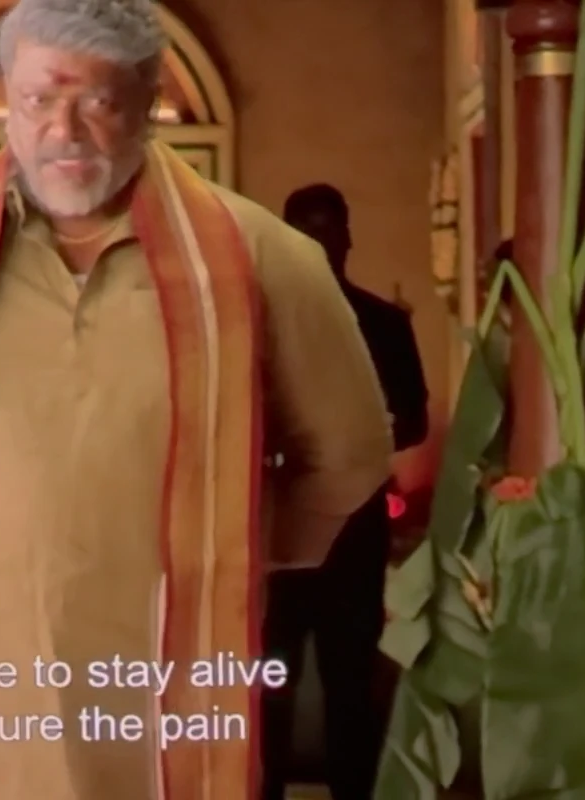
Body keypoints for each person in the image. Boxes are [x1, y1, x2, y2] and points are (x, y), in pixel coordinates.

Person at [0, 1, 392, 797]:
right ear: (4, 93)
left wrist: (236, 536)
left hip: (160, 692)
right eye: (39, 99)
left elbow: (349, 451)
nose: (63, 131)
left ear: (149, 100)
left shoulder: (263, 259)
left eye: (97, 102)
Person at [259, 184, 429, 800]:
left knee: (350, 682)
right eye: (305, 234)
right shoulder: (258, 325)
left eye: (328, 233)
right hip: (279, 534)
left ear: (347, 239)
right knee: (268, 681)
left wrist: (358, 434)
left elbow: (414, 422)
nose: (319, 246)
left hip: (355, 529)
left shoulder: (385, 324)